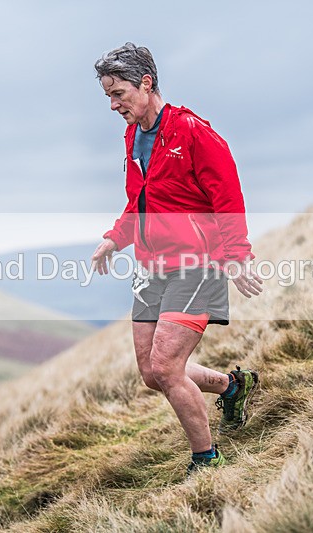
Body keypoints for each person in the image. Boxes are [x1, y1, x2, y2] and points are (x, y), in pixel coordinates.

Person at [90, 43, 263, 475]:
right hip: (153, 267)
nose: (113, 105)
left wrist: (237, 256)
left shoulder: (193, 133)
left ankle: (207, 460)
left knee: (167, 367)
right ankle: (231, 386)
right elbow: (140, 200)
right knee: (152, 373)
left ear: (146, 83)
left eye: (119, 94)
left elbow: (227, 198)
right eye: (108, 96)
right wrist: (115, 239)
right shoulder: (133, 137)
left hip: (197, 265)